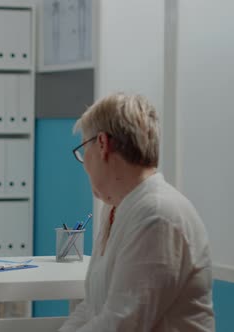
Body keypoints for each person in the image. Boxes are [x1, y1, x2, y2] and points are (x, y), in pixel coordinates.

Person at [59, 93, 215, 331]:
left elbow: (123, 323)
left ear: (102, 144)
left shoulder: (157, 214)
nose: (84, 164)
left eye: (83, 149)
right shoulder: (116, 208)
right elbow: (92, 307)